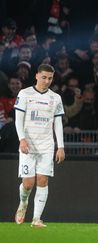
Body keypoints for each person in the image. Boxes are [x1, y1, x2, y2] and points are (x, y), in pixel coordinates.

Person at [14, 64, 65, 228]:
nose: (47, 81)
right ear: (36, 76)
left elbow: (58, 123)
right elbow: (18, 119)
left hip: (46, 145)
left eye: (50, 78)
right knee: (28, 184)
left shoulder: (55, 98)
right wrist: (22, 139)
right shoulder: (25, 94)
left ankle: (36, 218)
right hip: (28, 144)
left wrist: (61, 146)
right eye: (44, 77)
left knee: (42, 180)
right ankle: (23, 202)